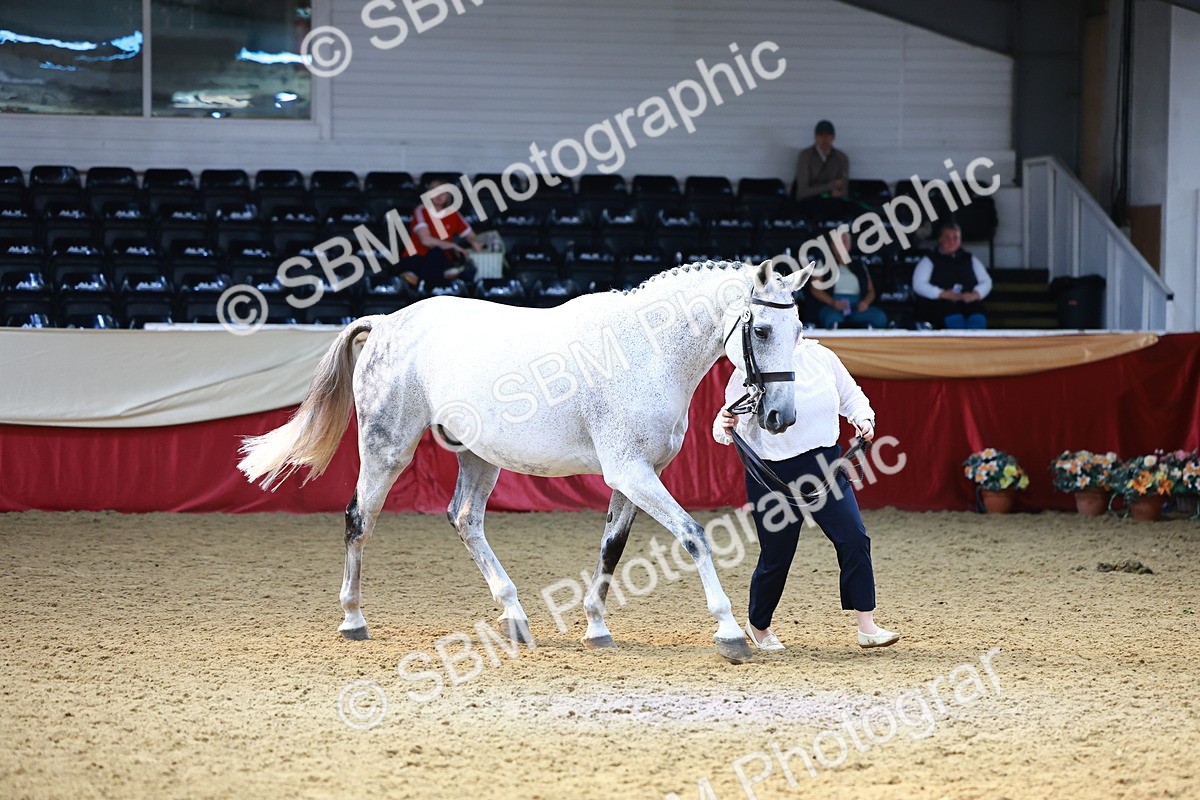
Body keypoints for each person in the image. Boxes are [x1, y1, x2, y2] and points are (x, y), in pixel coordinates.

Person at [712, 331, 900, 651]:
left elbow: (851, 395)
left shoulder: (822, 357)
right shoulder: (749, 367)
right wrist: (725, 423)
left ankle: (866, 625)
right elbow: (725, 423)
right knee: (777, 554)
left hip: (825, 466)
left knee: (854, 536)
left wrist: (864, 418)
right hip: (771, 474)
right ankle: (758, 626)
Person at [402, 178, 482, 287]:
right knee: (436, 251)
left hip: (442, 262)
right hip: (417, 259)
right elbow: (426, 240)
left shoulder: (453, 214)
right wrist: (452, 245)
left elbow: (473, 239)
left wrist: (481, 258)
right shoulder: (421, 210)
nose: (439, 195)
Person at [912, 222, 992, 329]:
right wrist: (942, 294)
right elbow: (918, 284)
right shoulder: (930, 260)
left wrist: (976, 294)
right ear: (940, 239)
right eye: (948, 237)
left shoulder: (969, 258)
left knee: (978, 317)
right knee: (955, 320)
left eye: (956, 238)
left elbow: (986, 281)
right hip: (941, 303)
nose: (952, 241)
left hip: (968, 300)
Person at [810, 232, 887, 329]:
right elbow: (815, 289)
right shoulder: (823, 262)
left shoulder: (859, 265)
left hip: (856, 306)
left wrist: (865, 303)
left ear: (850, 245)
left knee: (879, 317)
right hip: (832, 305)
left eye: (844, 241)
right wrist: (833, 303)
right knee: (833, 319)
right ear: (832, 246)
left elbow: (871, 291)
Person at [793, 120, 849, 202]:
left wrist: (838, 193)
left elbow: (844, 190)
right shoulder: (805, 156)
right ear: (815, 137)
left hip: (832, 203)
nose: (824, 139)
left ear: (833, 137)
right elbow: (802, 193)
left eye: (828, 135)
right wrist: (830, 186)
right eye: (821, 135)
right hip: (810, 202)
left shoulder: (841, 158)